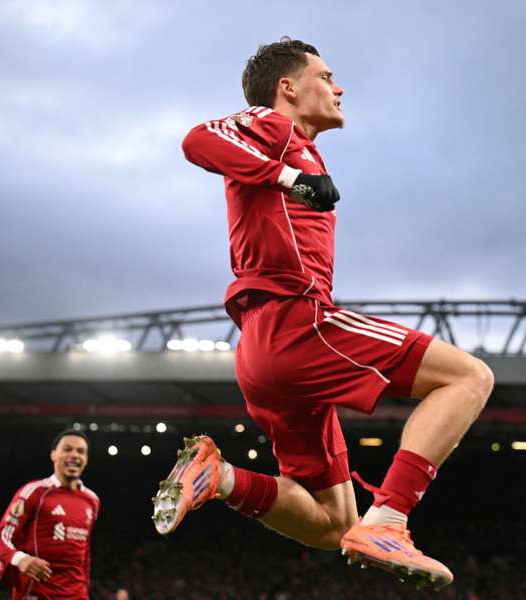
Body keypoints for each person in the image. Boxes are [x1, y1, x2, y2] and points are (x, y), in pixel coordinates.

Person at [152, 37, 493, 590]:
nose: (338, 88)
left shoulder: (298, 145)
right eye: (326, 76)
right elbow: (196, 140)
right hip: (298, 323)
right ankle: (391, 519)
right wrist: (290, 178)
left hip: (264, 352)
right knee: (469, 377)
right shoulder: (272, 125)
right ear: (287, 87)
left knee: (334, 523)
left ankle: (222, 478)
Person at [0, 430, 99, 599]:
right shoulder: (34, 492)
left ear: (86, 460)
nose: (74, 455)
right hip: (36, 593)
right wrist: (21, 560)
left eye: (80, 451)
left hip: (76, 595)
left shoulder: (92, 500)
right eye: (67, 449)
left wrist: (84, 589)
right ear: (53, 455)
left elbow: (84, 555)